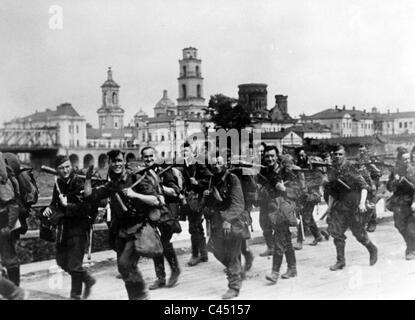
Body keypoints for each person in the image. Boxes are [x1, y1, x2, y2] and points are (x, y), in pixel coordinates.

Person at [84, 149, 162, 300]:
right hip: (121, 231)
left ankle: (141, 296)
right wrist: (88, 179)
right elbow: (90, 196)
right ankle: (136, 296)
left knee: (126, 263)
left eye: (119, 160)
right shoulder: (112, 183)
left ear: (124, 161)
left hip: (138, 228)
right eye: (114, 161)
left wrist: (135, 194)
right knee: (123, 267)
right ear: (110, 163)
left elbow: (156, 200)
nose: (117, 164)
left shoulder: (136, 177)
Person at [42, 155, 96, 300]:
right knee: (61, 262)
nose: (65, 170)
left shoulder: (80, 182)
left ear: (71, 166)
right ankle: (87, 279)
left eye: (67, 167)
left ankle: (75, 295)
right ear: (57, 170)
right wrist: (49, 208)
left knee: (74, 265)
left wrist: (67, 205)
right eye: (61, 168)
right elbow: (55, 202)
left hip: (79, 228)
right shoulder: (58, 183)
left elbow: (86, 207)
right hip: (63, 229)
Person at [204, 156, 250, 299]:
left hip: (234, 221)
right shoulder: (213, 180)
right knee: (215, 250)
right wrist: (207, 196)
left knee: (232, 254)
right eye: (214, 163)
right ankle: (235, 270)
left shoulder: (232, 179)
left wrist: (228, 220)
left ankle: (234, 287)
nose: (216, 165)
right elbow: (214, 203)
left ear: (225, 164)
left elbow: (238, 204)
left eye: (219, 163)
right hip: (219, 222)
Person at [325, 145, 378, 271]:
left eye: (340, 154)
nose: (337, 156)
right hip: (340, 206)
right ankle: (340, 261)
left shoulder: (350, 167)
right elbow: (333, 192)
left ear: (345, 155)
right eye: (335, 154)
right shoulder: (332, 170)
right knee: (337, 233)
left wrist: (362, 203)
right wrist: (329, 208)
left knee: (359, 234)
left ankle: (372, 249)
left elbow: (364, 186)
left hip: (353, 205)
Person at [140, 146, 181, 290]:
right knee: (157, 244)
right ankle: (161, 278)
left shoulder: (164, 171)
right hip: (152, 214)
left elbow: (175, 191)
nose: (149, 159)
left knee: (163, 242)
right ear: (142, 159)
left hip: (167, 213)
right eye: (146, 157)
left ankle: (174, 270)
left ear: (155, 156)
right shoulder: (141, 174)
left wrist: (159, 188)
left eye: (151, 156)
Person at [179, 142, 212, 267]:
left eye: (186, 151)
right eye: (182, 151)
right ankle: (203, 254)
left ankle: (195, 255)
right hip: (191, 199)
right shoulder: (184, 165)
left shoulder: (198, 163)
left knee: (194, 227)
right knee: (197, 226)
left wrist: (197, 182)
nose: (184, 153)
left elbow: (209, 177)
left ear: (192, 152)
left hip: (198, 199)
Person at [386, 147, 415, 260]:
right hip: (399, 203)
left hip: (410, 202)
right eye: (405, 159)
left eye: (408, 158)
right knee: (399, 225)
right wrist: (395, 181)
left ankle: (411, 250)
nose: (407, 161)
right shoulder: (395, 171)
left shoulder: (413, 170)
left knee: (411, 228)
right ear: (399, 160)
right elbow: (389, 187)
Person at [0, 153, 21, 289]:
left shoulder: (2, 181)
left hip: (5, 223)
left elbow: (12, 203)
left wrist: (8, 227)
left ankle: (15, 292)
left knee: (9, 259)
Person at [257, 145, 280, 257]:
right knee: (264, 225)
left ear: (277, 156)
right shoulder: (263, 170)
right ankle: (271, 247)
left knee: (278, 227)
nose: (270, 159)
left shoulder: (282, 170)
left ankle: (280, 248)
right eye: (267, 156)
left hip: (279, 204)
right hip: (265, 202)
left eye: (272, 156)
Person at [357, 145, 382, 232]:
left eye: (363, 151)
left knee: (371, 204)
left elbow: (379, 173)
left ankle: (373, 223)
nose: (361, 152)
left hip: (371, 185)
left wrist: (372, 166)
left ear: (367, 151)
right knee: (363, 203)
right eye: (360, 151)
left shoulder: (372, 160)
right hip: (362, 185)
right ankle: (363, 223)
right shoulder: (359, 160)